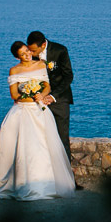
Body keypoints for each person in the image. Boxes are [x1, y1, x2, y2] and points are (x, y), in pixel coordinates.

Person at [0, 41, 75, 200]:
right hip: (21, 111)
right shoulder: (14, 70)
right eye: (23, 54)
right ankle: (15, 183)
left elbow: (47, 86)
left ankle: (42, 185)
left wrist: (41, 94)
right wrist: (28, 94)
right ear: (17, 57)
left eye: (28, 51)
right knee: (14, 146)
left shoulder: (41, 65)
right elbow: (14, 95)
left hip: (38, 110)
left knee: (41, 147)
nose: (27, 55)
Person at [25, 31, 73, 160]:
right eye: (30, 50)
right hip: (37, 102)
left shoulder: (60, 50)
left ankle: (67, 177)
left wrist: (52, 96)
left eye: (34, 51)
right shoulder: (28, 54)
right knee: (39, 139)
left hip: (60, 100)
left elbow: (68, 76)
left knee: (62, 140)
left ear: (44, 44)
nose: (32, 54)